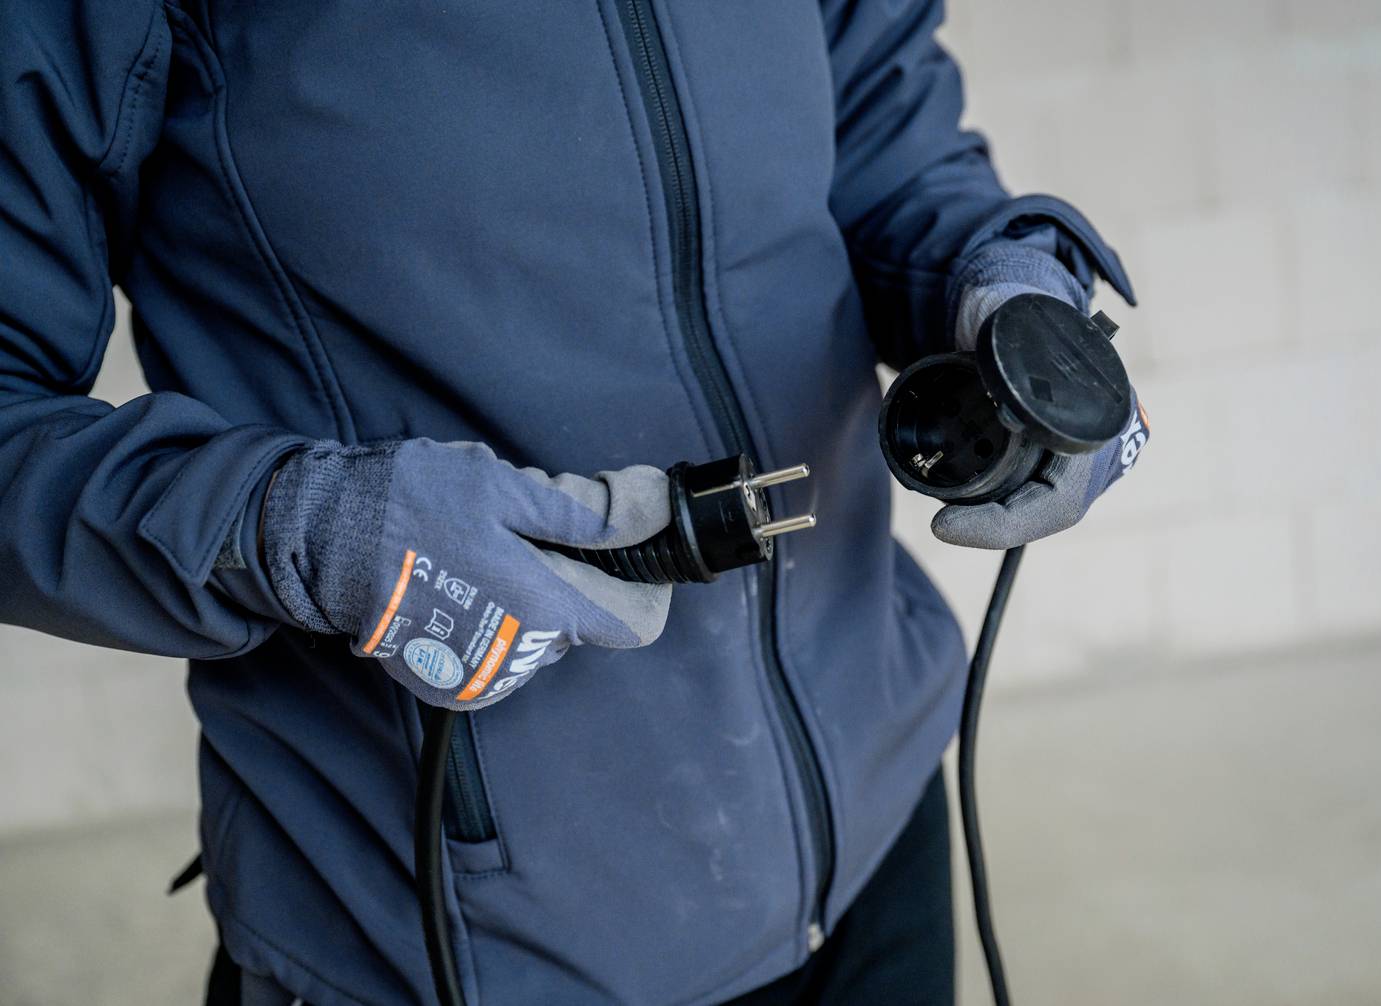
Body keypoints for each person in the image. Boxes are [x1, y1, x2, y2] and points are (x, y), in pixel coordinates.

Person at [0, 1, 1146, 1003]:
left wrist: (1006, 287)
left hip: (877, 827)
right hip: (466, 936)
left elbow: (889, 149)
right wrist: (295, 527)